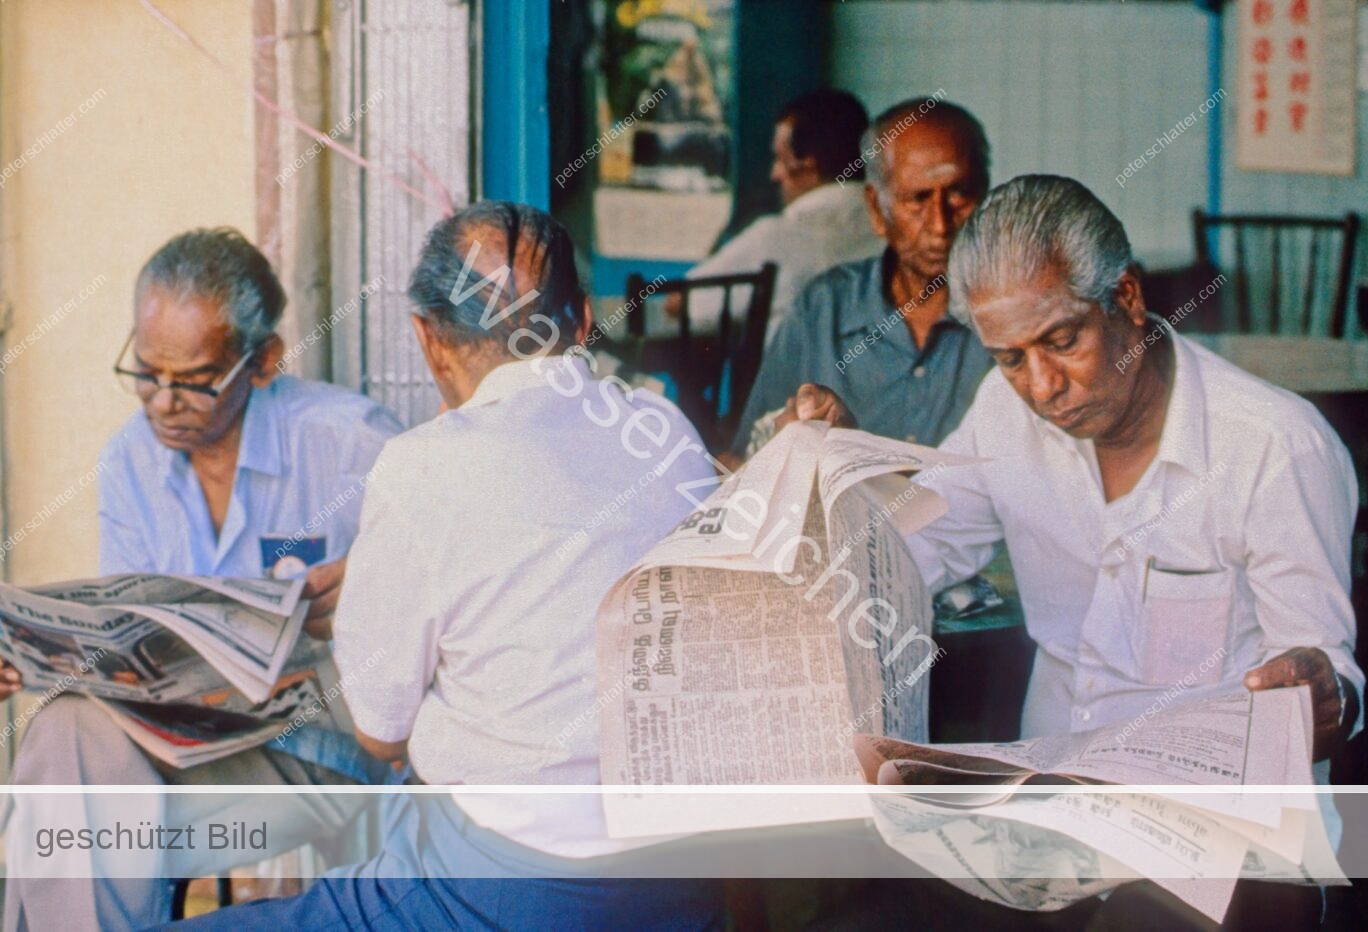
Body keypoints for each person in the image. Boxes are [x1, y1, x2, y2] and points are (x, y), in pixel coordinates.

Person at [783, 175, 1361, 929]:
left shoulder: (1274, 447)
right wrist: (842, 474)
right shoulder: (1005, 413)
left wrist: (1321, 692)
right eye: (1009, 358)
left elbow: (1328, 678)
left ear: (1126, 299)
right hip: (1048, 828)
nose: (1043, 387)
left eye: (1062, 342)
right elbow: (909, 552)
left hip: (1221, 846)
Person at [167, 202, 724, 930]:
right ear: (585, 321)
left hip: (504, 887)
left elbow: (381, 735)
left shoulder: (421, 468)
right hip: (678, 883)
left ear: (428, 339)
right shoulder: (668, 432)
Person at [1, 228, 402, 932]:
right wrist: (33, 659)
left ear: (264, 361)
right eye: (146, 372)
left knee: (64, 826)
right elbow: (124, 643)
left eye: (192, 380)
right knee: (63, 740)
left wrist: (369, 590)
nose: (162, 401)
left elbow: (444, 607)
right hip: (188, 754)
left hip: (320, 760)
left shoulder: (352, 443)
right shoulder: (130, 460)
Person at [733, 98, 994, 456]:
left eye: (959, 194)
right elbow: (746, 453)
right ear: (876, 209)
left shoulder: (1013, 315)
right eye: (918, 199)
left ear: (985, 196)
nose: (939, 225)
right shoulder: (822, 309)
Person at [668, 89, 883, 344]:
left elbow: (680, 301)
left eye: (780, 160)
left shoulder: (774, 236)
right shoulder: (895, 229)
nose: (774, 175)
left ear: (808, 165)